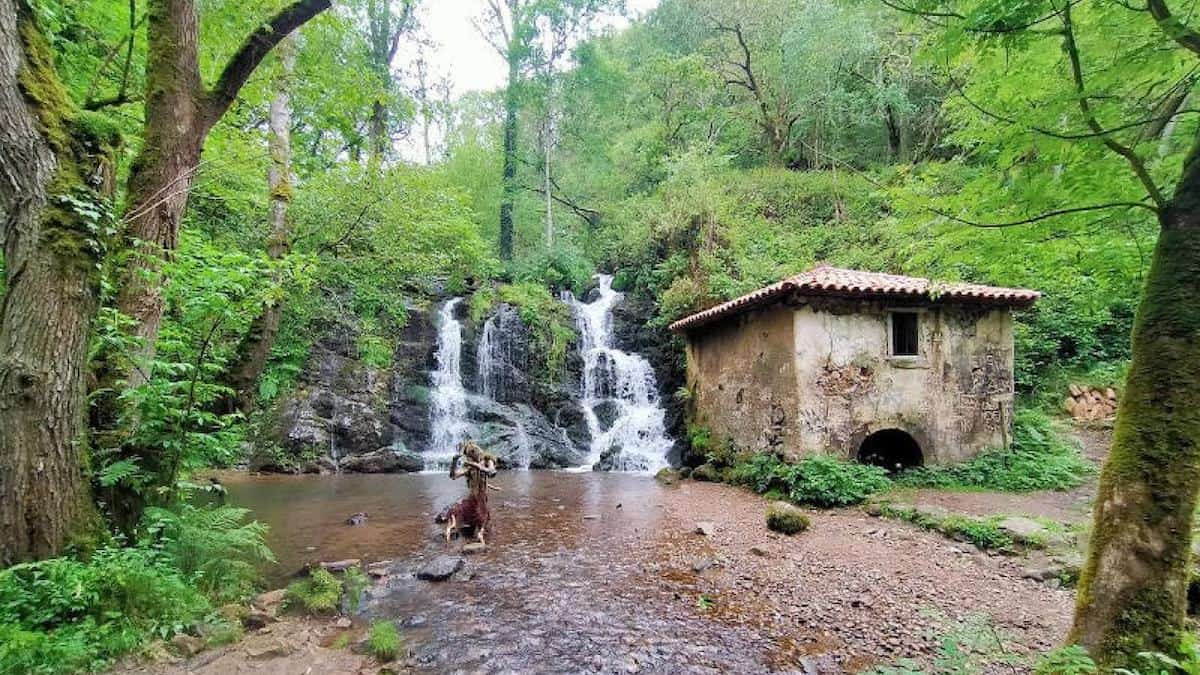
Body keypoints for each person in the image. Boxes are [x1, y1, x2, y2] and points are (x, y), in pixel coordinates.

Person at [435, 441, 498, 544]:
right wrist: (454, 461)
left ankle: (479, 534)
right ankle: (462, 533)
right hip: (472, 499)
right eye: (470, 454)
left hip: (482, 499)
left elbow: (492, 472)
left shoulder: (488, 460)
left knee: (483, 520)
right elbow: (453, 476)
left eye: (474, 451)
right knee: (458, 512)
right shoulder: (469, 467)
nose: (474, 454)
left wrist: (478, 466)